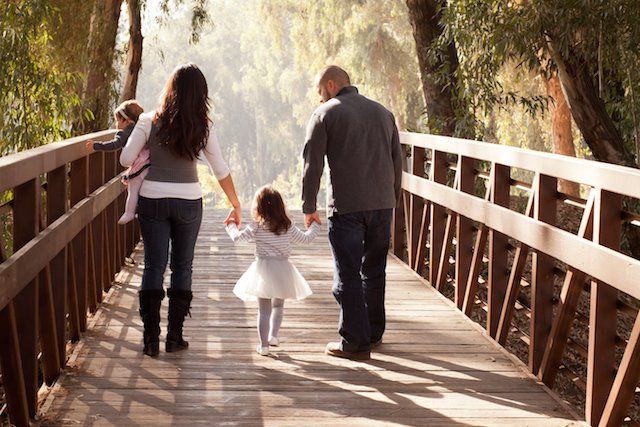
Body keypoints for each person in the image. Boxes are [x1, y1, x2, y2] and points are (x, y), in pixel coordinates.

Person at [120, 63, 241, 357]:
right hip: (189, 201)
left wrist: (147, 149)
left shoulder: (148, 121)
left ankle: (150, 338)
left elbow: (125, 158)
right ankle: (175, 336)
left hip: (152, 200)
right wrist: (235, 204)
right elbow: (220, 170)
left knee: (153, 265)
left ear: (170, 88)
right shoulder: (203, 127)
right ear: (201, 94)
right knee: (183, 266)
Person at [302, 65, 402, 361]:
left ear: (331, 85)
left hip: (347, 206)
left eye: (320, 92)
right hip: (382, 204)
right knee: (373, 270)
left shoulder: (325, 113)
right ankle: (372, 332)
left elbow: (312, 165)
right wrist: (391, 200)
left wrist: (309, 206)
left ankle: (355, 342)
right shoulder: (384, 113)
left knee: (347, 273)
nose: (320, 98)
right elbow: (397, 164)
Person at [224, 185, 320, 356]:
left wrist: (231, 224)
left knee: (264, 310)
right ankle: (273, 336)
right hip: (283, 269)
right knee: (278, 306)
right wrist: (315, 225)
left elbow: (238, 238)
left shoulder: (257, 226)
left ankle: (264, 346)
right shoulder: (287, 225)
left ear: (258, 207)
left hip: (263, 270)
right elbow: (306, 239)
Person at [86, 100, 149, 224]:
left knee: (133, 190)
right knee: (144, 190)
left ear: (127, 121)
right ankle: (142, 211)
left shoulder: (125, 133)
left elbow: (115, 144)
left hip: (138, 166)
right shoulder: (142, 129)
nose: (116, 124)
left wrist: (96, 145)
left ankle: (129, 213)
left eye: (118, 120)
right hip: (148, 164)